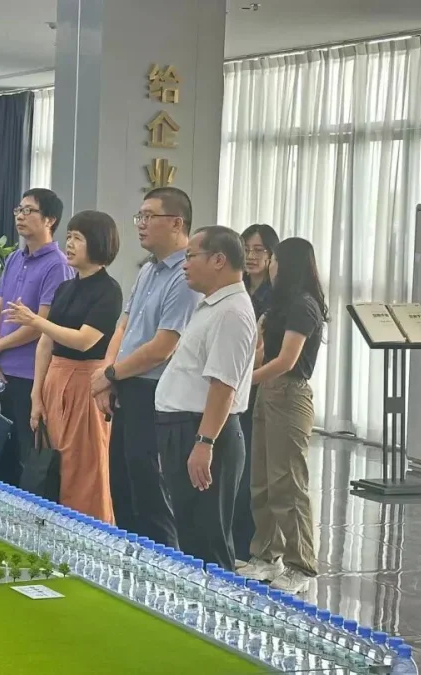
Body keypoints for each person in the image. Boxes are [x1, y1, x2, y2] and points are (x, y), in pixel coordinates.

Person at [89, 187, 201, 547]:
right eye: (140, 216)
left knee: (150, 491)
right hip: (127, 384)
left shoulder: (186, 276)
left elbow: (162, 347)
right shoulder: (148, 271)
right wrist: (109, 376)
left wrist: (110, 374)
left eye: (149, 216)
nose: (140, 224)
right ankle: (129, 561)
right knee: (123, 484)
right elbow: (124, 326)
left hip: (155, 392)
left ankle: (163, 569)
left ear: (177, 223)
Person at [2, 211, 122, 522]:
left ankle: (90, 530)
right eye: (68, 236)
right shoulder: (66, 287)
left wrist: (35, 320)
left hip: (86, 383)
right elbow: (45, 344)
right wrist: (36, 395)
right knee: (51, 460)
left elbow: (84, 340)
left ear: (97, 243)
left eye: (77, 238)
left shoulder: (108, 290)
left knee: (84, 466)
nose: (69, 244)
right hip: (55, 378)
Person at [154, 226, 256, 570]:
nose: (185, 265)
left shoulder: (232, 312)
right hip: (185, 429)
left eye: (191, 256)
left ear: (218, 260)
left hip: (204, 432)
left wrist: (204, 442)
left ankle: (218, 603)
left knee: (208, 541)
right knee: (191, 535)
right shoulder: (212, 305)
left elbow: (223, 386)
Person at [240, 237, 328, 594]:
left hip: (290, 394)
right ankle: (265, 555)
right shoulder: (278, 304)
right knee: (262, 479)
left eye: (273, 258)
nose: (269, 264)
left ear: (287, 263)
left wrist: (245, 381)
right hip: (267, 393)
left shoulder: (304, 305)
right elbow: (264, 352)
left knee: (288, 482)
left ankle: (300, 564)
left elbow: (287, 361)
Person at [0, 188, 74, 492]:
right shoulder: (14, 259)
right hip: (0, 370)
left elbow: (40, 325)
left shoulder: (58, 265)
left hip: (30, 374)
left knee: (29, 456)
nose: (20, 216)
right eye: (18, 210)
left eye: (29, 210)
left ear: (50, 220)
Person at [234, 223, 281, 563]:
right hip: (231, 381)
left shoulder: (273, 298)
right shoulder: (235, 289)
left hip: (256, 385)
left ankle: (251, 543)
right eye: (246, 249)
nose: (251, 256)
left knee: (252, 468)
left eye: (258, 250)